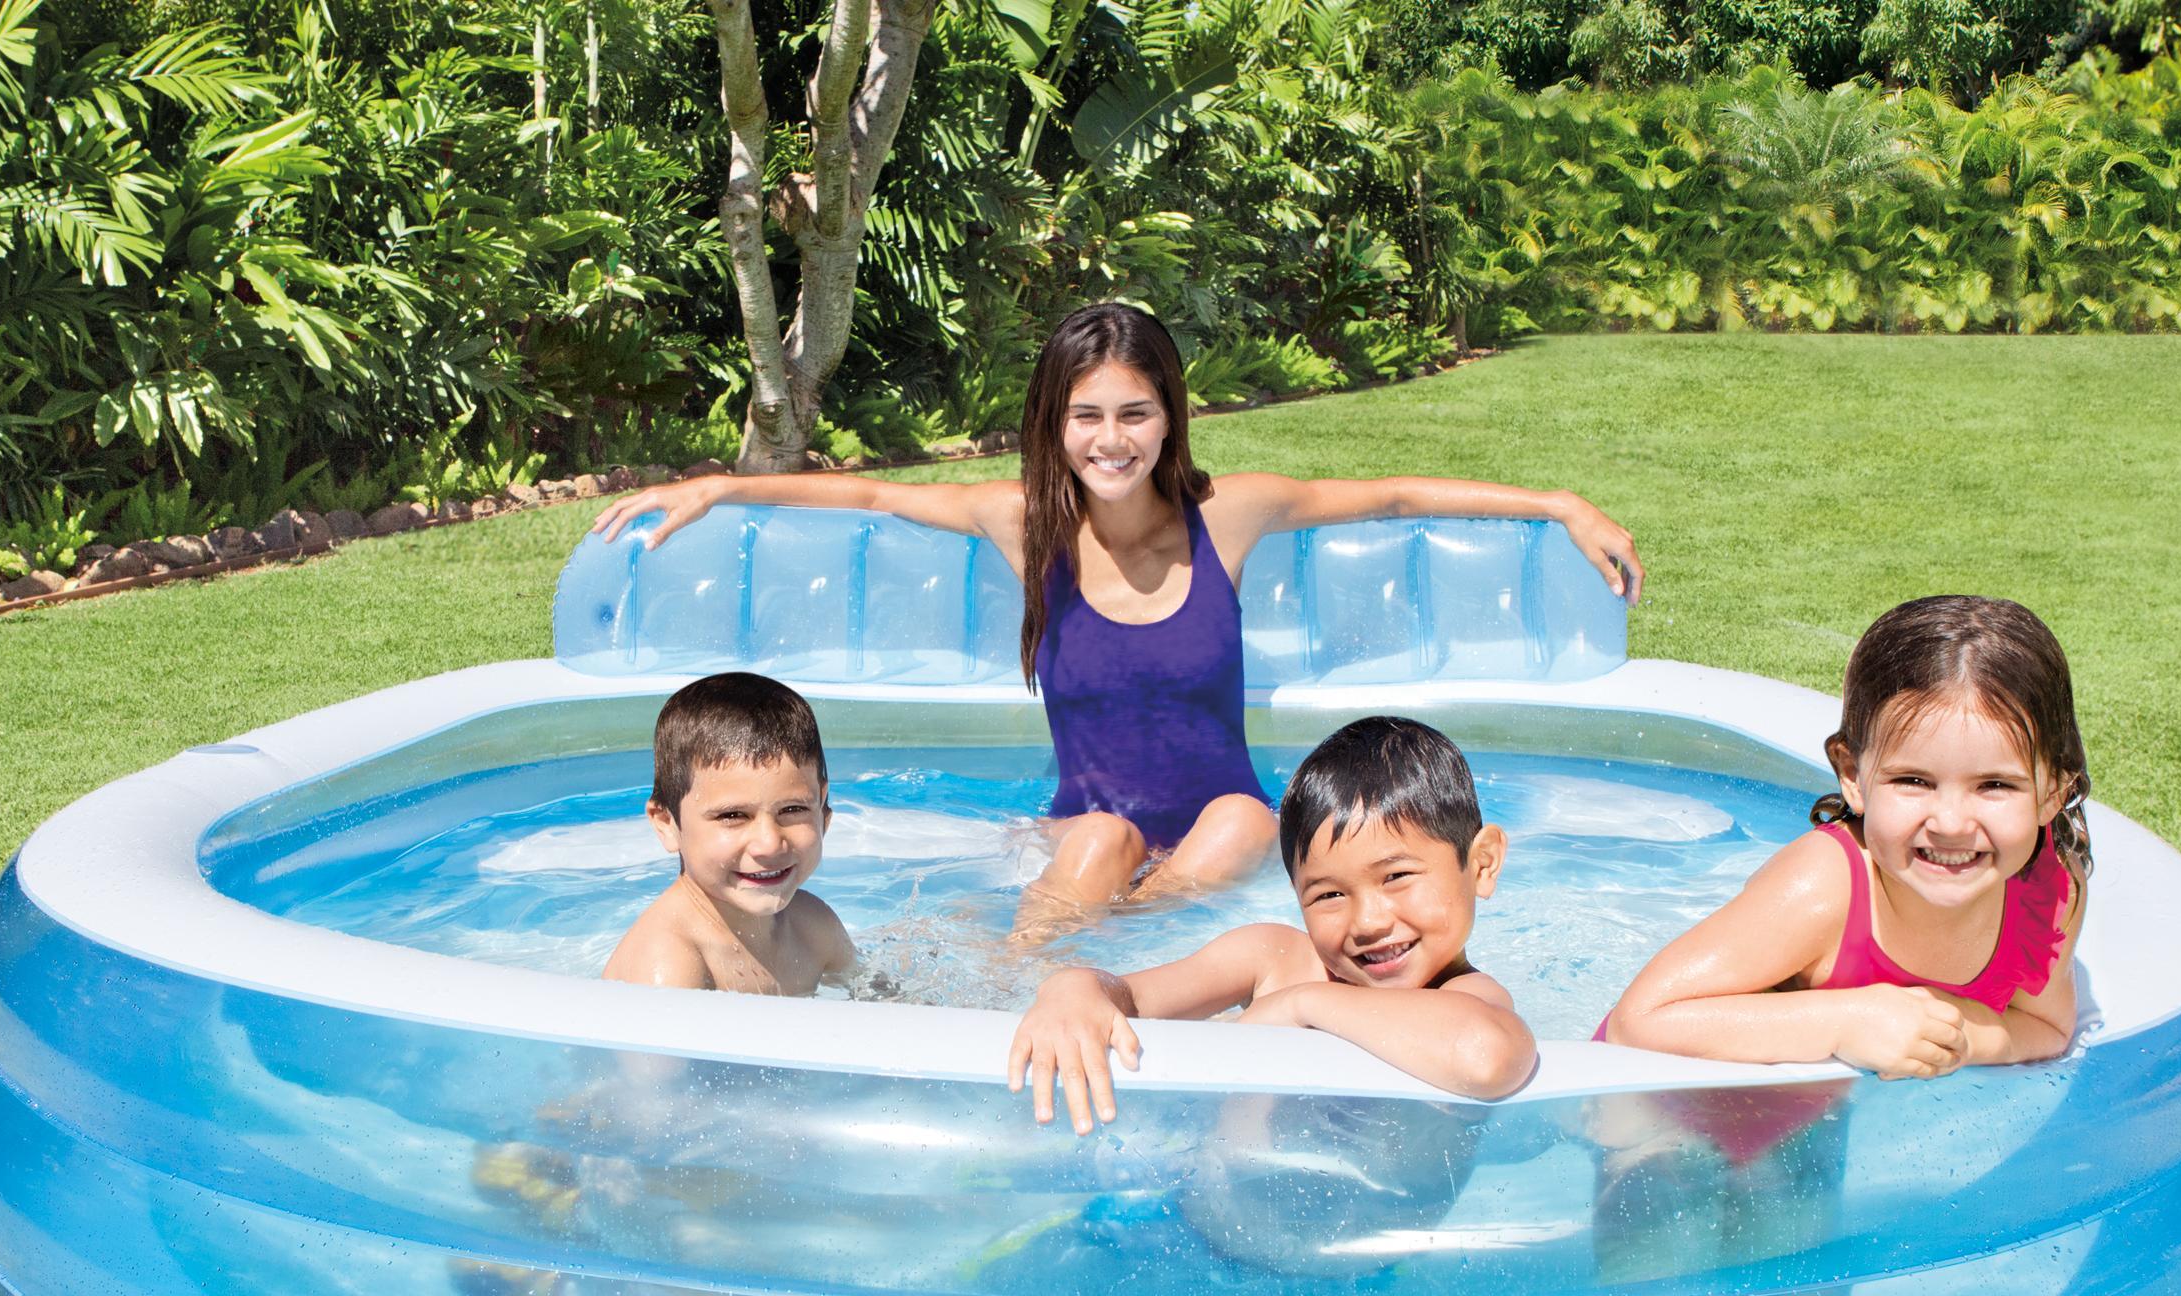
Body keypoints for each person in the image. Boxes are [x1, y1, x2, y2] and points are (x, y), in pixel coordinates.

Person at [586, 302, 1643, 934]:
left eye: (1135, 411)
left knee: (1244, 815)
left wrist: (1555, 503)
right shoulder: (1025, 526)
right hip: (1085, 836)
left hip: (1217, 843)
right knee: (1099, 836)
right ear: (1056, 423)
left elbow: (1394, 497)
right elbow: (870, 496)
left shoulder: (1229, 517)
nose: (1111, 437)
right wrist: (720, 488)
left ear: (1170, 415)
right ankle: (1014, 973)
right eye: (1086, 415)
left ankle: (1112, 941)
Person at [1596, 595, 2091, 1077]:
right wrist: (1848, 1020)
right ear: (1853, 775)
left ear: (2052, 792)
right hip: (1661, 1102)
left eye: (1995, 785)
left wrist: (1954, 1037)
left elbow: (2044, 1026)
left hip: (1812, 1117)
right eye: (1913, 781)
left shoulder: (2049, 890)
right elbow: (1637, 1024)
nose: (1951, 823)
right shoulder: (1825, 886)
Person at [1006, 714, 1538, 1131]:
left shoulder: (1468, 996)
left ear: (1482, 863)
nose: (1369, 921)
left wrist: (1300, 1005)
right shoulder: (1272, 957)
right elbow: (1127, 997)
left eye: (1397, 876)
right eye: (1329, 894)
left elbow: (1487, 1058)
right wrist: (1071, 990)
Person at [600, 670, 856, 996]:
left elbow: (884, 1005)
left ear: (823, 812)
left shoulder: (814, 925)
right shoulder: (671, 967)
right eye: (733, 815)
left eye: (792, 810)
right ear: (666, 823)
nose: (769, 844)